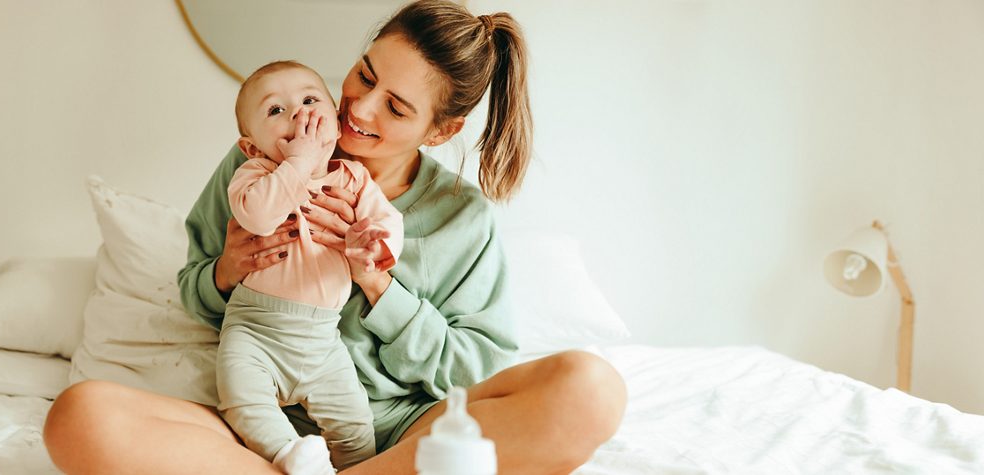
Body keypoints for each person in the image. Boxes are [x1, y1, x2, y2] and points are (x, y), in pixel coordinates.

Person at [43, 1, 628, 474]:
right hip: (256, 421)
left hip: (396, 434)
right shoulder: (268, 153)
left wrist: (378, 285)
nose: (358, 109)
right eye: (364, 74)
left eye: (395, 107)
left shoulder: (461, 217)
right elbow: (194, 285)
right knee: (79, 416)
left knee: (591, 390)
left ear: (440, 129)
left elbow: (468, 368)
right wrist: (226, 270)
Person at [221, 60, 403, 473]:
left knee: (356, 425)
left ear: (336, 126)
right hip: (254, 329)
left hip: (322, 339)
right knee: (241, 401)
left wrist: (372, 245)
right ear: (251, 146)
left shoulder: (353, 179)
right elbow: (258, 217)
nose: (298, 114)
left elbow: (388, 221)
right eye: (275, 110)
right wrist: (298, 164)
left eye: (308, 100)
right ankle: (294, 456)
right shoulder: (255, 174)